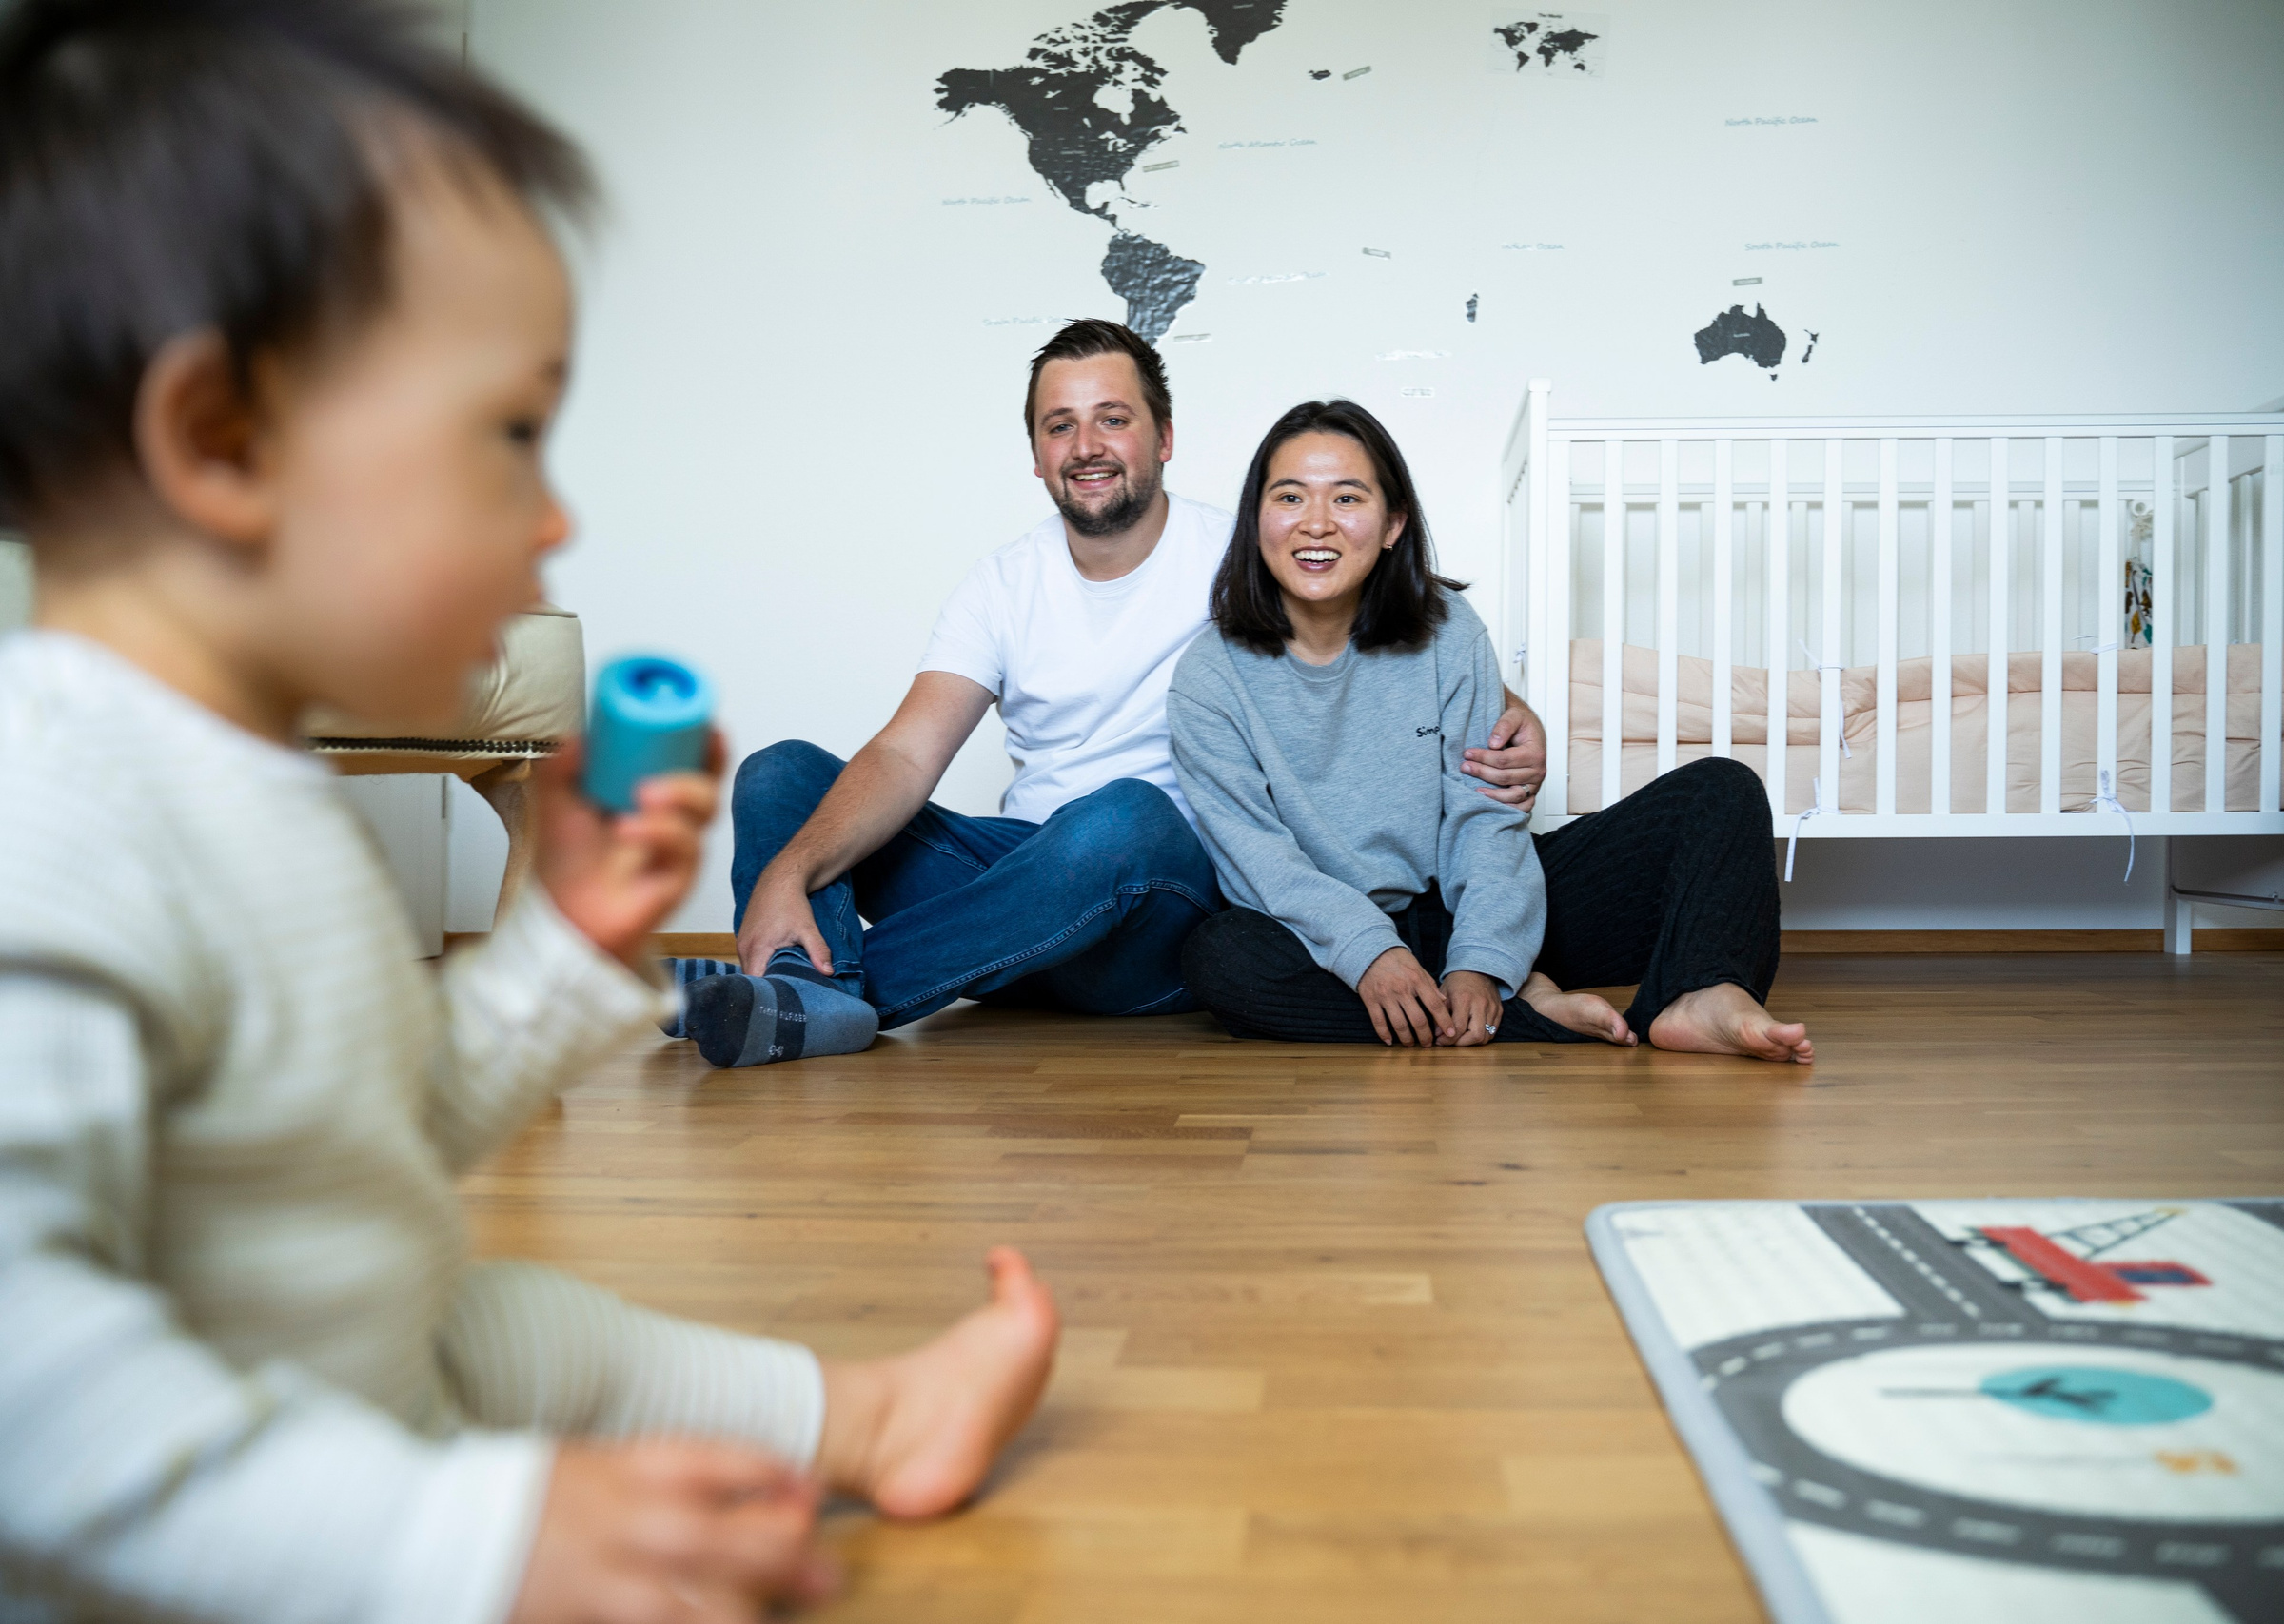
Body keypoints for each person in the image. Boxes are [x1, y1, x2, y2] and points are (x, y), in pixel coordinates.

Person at [0, 5, 1057, 1621]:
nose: (556, 510)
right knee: (472, 1337)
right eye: (508, 435)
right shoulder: (59, 819)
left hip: (336, 1360)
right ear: (222, 442)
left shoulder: (268, 797)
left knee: (514, 1318)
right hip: (179, 1518)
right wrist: (468, 1547)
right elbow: (33, 1397)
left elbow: (373, 1135)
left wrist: (561, 941)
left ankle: (870, 1414)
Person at [674, 320, 1553, 1066]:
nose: (1087, 446)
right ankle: (796, 992)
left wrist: (1517, 711)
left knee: (1120, 816)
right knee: (779, 775)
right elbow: (906, 753)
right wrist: (788, 870)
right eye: (1061, 426)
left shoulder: (1242, 552)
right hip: (1023, 887)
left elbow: (1393, 622)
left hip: (1163, 909)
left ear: (1163, 438)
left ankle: (800, 993)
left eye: (1113, 419)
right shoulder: (1002, 584)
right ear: (1035, 455)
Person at [1170, 400, 1814, 1063]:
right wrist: (1372, 952)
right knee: (1220, 957)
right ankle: (1525, 1014)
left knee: (1721, 791)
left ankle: (1703, 992)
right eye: (1290, 496)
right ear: (1257, 519)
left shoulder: (1448, 628)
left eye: (1347, 498)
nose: (1316, 523)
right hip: (1326, 937)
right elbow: (1264, 867)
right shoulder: (1209, 678)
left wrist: (1480, 958)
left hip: (1470, 905)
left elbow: (1486, 816)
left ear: (1392, 524)